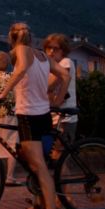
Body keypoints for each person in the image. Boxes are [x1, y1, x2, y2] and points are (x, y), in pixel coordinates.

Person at [0, 23, 70, 209]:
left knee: (39, 166)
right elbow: (66, 75)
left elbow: (22, 69)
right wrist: (57, 100)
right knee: (30, 159)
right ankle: (38, 204)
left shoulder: (22, 50)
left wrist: (2, 93)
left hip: (29, 115)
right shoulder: (42, 55)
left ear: (12, 39)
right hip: (43, 114)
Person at [0, 51, 23, 186]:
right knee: (12, 143)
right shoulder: (12, 76)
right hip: (11, 114)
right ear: (7, 63)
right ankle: (9, 177)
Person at [43, 33, 77, 162]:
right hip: (53, 117)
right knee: (52, 155)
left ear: (63, 50)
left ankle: (62, 182)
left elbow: (50, 85)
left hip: (65, 118)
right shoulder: (50, 67)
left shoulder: (65, 62)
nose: (51, 51)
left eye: (55, 48)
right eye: (48, 48)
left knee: (59, 157)